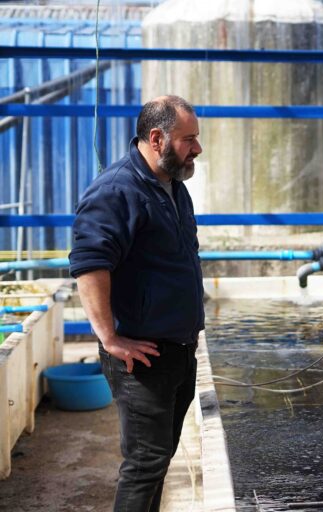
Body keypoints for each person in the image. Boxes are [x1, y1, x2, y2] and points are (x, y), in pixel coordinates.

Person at [69, 95, 205, 511]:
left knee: (159, 458)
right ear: (157, 138)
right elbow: (90, 265)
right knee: (145, 462)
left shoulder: (172, 186)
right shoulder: (116, 191)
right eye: (189, 139)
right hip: (141, 358)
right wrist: (110, 337)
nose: (197, 148)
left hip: (177, 352)